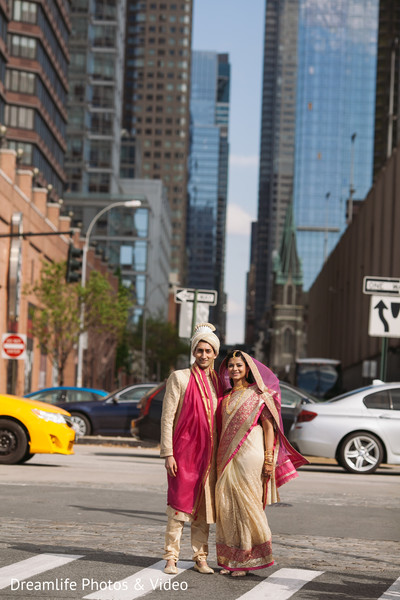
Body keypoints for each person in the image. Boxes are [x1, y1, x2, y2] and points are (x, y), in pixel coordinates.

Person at [216, 350, 309, 576]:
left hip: (252, 453)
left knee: (248, 505)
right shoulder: (226, 396)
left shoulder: (259, 394)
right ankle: (232, 558)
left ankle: (247, 559)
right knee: (227, 504)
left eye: (239, 365)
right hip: (227, 455)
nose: (235, 369)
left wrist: (269, 459)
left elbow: (269, 428)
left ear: (248, 369)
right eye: (231, 366)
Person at [160, 323, 223, 575]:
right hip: (183, 454)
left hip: (209, 457)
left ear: (215, 354)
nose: (204, 355)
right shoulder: (180, 377)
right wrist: (168, 453)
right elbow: (167, 417)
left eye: (208, 350)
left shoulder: (220, 383)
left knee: (203, 510)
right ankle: (171, 557)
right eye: (200, 350)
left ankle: (200, 557)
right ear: (194, 352)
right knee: (179, 507)